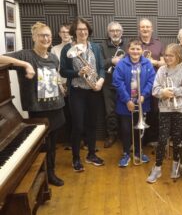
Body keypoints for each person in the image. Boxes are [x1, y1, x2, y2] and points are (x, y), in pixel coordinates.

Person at [0, 22, 65, 186]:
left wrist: (59, 87)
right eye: (42, 35)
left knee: (52, 144)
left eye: (48, 35)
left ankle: (50, 173)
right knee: (42, 145)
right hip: (38, 110)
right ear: (34, 37)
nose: (46, 38)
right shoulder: (26, 55)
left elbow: (54, 76)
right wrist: (25, 65)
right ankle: (39, 176)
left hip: (56, 107)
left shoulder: (53, 58)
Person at [60, 17, 105, 172]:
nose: (83, 32)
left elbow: (101, 67)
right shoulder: (67, 49)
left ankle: (91, 154)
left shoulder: (96, 47)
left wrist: (101, 81)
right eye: (79, 29)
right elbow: (63, 71)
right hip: (77, 91)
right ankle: (76, 159)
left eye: (85, 29)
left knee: (92, 124)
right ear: (74, 31)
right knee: (78, 126)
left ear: (88, 31)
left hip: (93, 91)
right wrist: (77, 73)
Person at [147, 43, 182, 183]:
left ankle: (176, 165)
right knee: (162, 138)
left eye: (171, 55)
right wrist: (162, 92)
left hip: (179, 109)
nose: (167, 58)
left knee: (177, 138)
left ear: (178, 56)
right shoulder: (161, 70)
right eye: (166, 55)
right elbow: (154, 90)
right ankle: (158, 167)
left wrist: (172, 91)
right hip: (165, 109)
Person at [112, 40, 155, 167]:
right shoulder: (121, 64)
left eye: (138, 49)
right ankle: (126, 153)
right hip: (125, 103)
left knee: (140, 129)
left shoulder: (147, 63)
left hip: (142, 102)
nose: (135, 51)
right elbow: (117, 82)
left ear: (142, 50)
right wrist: (127, 100)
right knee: (126, 129)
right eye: (133, 49)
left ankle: (138, 152)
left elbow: (152, 81)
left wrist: (143, 95)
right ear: (128, 50)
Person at [101, 21, 128, 148]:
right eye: (112, 31)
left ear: (122, 32)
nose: (115, 33)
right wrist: (112, 60)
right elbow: (99, 63)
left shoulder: (128, 45)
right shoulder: (102, 46)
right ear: (108, 32)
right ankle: (112, 135)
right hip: (108, 82)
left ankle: (125, 136)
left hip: (124, 83)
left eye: (118, 30)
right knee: (109, 111)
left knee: (125, 110)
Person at [138, 18, 165, 146]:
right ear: (139, 29)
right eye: (143, 27)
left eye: (147, 27)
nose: (145, 29)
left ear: (152, 29)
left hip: (155, 81)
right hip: (138, 81)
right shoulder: (135, 43)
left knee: (154, 110)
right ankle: (140, 140)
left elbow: (164, 63)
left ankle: (153, 138)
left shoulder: (158, 44)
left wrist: (153, 62)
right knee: (140, 109)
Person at [51, 23, 73, 150]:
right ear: (59, 34)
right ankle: (69, 141)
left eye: (67, 31)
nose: (65, 34)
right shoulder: (55, 49)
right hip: (61, 86)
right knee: (66, 115)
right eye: (62, 32)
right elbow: (55, 69)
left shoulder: (76, 47)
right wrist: (60, 86)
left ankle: (82, 140)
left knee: (78, 114)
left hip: (73, 84)